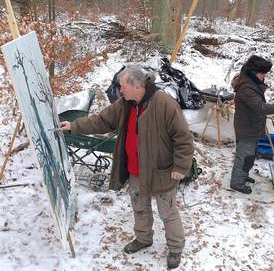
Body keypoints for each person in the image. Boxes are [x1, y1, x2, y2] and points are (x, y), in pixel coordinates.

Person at [60, 66, 194, 269]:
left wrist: (180, 166)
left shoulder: (165, 104)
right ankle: (143, 238)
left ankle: (175, 248)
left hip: (162, 170)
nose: (120, 91)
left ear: (138, 86)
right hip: (135, 169)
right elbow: (102, 120)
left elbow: (183, 138)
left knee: (167, 212)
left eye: (123, 87)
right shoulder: (125, 104)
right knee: (139, 208)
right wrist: (74, 126)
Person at [230, 55, 274, 194]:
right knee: (243, 157)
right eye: (262, 74)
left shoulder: (251, 84)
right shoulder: (246, 88)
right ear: (253, 73)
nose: (264, 77)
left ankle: (243, 176)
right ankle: (237, 183)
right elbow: (261, 107)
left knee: (249, 156)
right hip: (247, 130)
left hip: (251, 128)